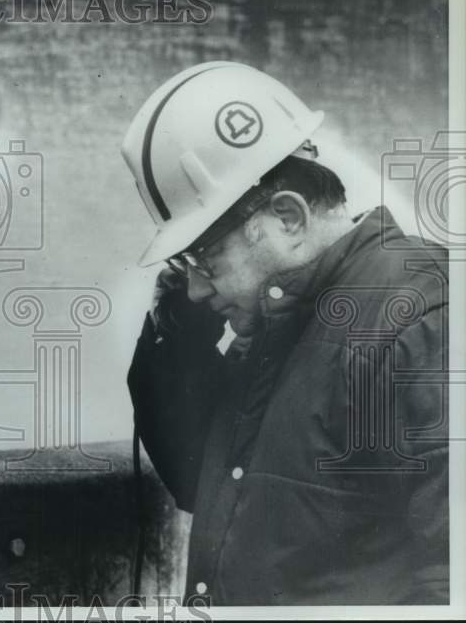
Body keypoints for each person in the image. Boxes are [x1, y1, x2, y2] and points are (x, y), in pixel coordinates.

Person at [121, 61, 448, 605]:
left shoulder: (420, 319)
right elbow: (199, 480)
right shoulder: (278, 325)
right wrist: (177, 329)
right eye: (184, 263)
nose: (197, 290)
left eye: (205, 257)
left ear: (289, 218)